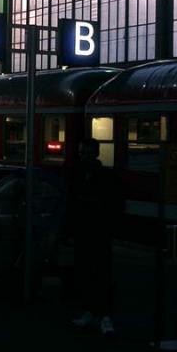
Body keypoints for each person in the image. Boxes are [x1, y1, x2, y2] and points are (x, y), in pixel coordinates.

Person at [68, 137, 118, 336]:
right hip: (88, 232)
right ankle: (93, 312)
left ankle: (103, 314)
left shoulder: (98, 176)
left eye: (87, 153)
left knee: (99, 273)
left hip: (97, 232)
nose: (84, 156)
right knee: (88, 273)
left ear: (96, 153)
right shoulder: (87, 174)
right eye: (82, 153)